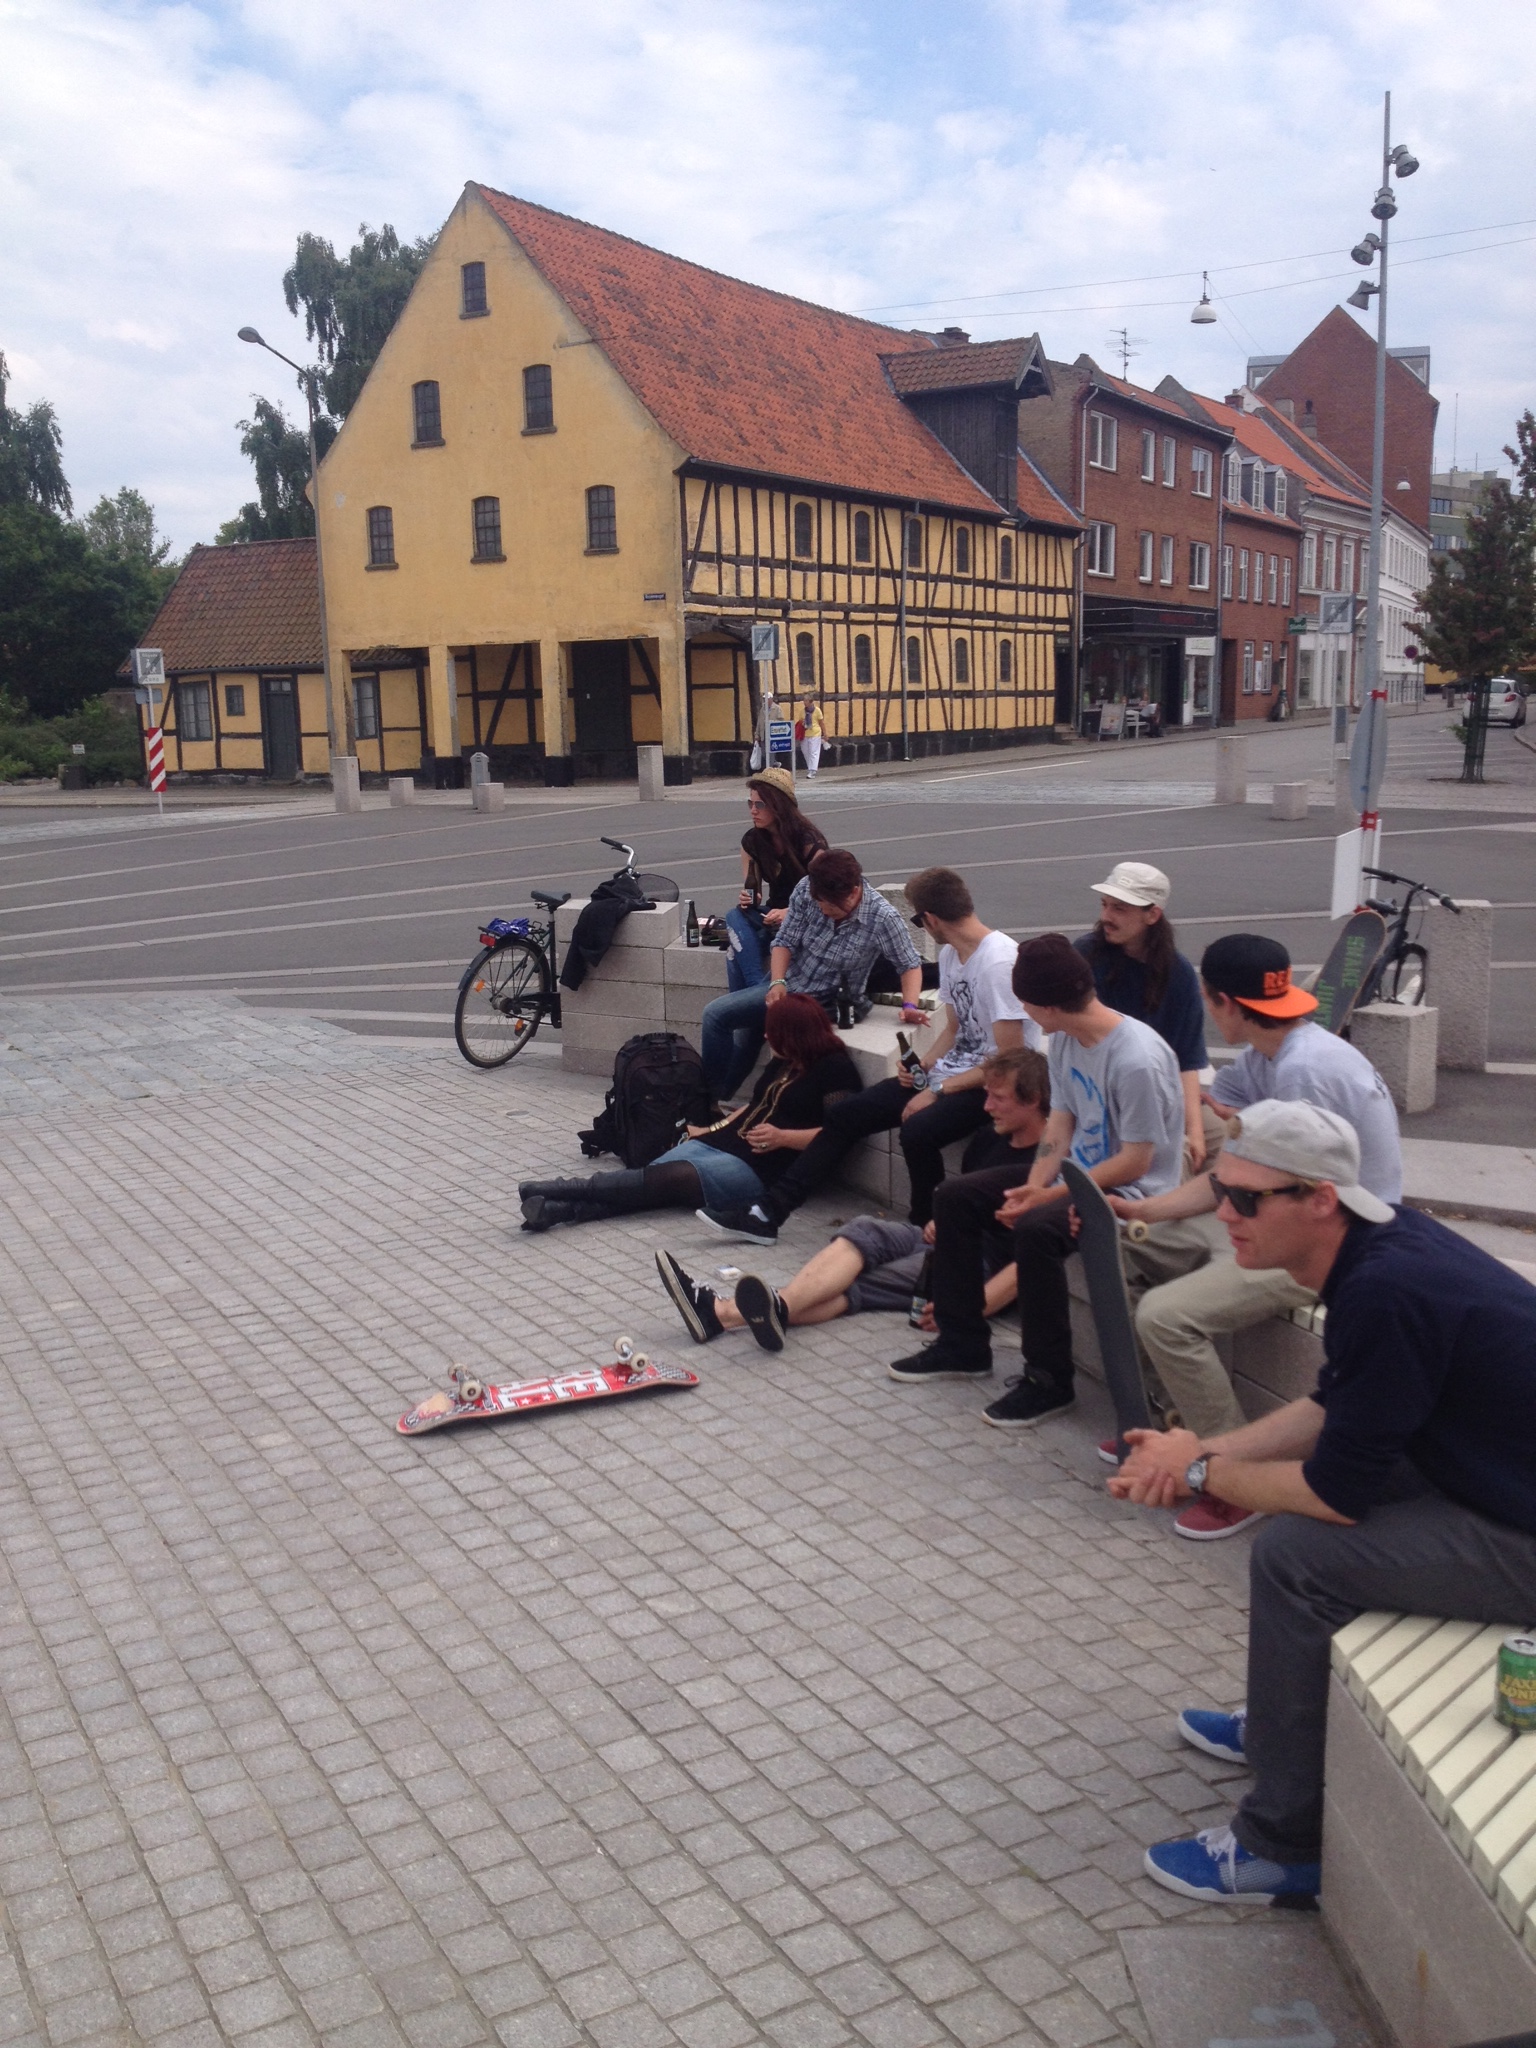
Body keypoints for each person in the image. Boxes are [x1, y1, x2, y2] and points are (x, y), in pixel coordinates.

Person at [1109, 1100, 1536, 1905]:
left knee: (1296, 1557)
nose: (1222, 1212)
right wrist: (1206, 1449)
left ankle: (1282, 1847)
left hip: (1523, 1534)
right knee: (1312, 1531)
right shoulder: (1381, 1252)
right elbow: (1336, 1405)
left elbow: (1332, 1496)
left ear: (1320, 1201)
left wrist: (1199, 1476)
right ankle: (1281, 1728)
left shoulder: (1388, 1288)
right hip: (1498, 1484)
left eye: (1244, 1198)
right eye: (1218, 1189)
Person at [1107, 934, 1403, 1541]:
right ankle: (1175, 1425)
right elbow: (1229, 1123)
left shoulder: (1302, 1071)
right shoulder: (1276, 1052)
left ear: (1222, 1004)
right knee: (1122, 1241)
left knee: (1165, 1315)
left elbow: (1253, 1186)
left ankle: (1234, 1477)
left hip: (1327, 1245)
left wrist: (1158, 1205)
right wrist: (1143, 1213)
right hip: (1273, 1213)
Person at [889, 933, 1184, 1430]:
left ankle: (1049, 1381)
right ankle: (963, 1347)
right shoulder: (1067, 1038)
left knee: (1036, 1230)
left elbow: (1136, 1162)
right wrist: (1036, 1185)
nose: (1021, 1009)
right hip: (1076, 1176)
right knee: (956, 1196)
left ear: (1046, 1004)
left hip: (1128, 1196)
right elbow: (1061, 1123)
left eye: (1024, 1000)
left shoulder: (1136, 1058)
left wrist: (1046, 1197)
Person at [697, 868, 1037, 1245]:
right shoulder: (952, 954)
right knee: (845, 1114)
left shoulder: (999, 963)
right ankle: (769, 1212)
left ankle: (925, 1226)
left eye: (918, 918)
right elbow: (955, 1032)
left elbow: (1011, 1058)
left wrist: (938, 1092)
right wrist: (922, 1067)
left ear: (932, 919)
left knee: (918, 1129)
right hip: (953, 1074)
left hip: (993, 1084)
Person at [655, 1046, 1051, 1349]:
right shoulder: (988, 1139)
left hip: (980, 1263)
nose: (986, 1106)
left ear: (1033, 1100)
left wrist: (971, 1309)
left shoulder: (1049, 1164)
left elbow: (1026, 1262)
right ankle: (755, 1310)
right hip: (945, 1236)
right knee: (864, 1228)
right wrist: (939, 1221)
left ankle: (723, 1313)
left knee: (863, 1285)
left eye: (998, 1098)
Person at [517, 994, 859, 1230]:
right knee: (650, 1182)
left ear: (797, 1034)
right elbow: (751, 1109)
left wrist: (783, 1137)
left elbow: (840, 1133)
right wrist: (710, 1130)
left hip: (764, 1165)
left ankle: (558, 1190)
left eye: (775, 1031)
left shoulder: (834, 1069)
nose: (767, 1035)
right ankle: (556, 1211)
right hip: (728, 1142)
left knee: (662, 1181)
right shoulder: (785, 1060)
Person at [698, 847, 923, 1115]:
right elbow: (784, 941)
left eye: (831, 910)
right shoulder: (807, 889)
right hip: (790, 982)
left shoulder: (882, 917)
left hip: (829, 1000)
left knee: (735, 1023)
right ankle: (711, 1102)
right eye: (820, 906)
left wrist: (910, 1006)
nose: (824, 912)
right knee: (733, 1023)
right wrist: (777, 982)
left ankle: (720, 1103)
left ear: (853, 893)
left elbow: (909, 964)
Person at [1075, 861, 1215, 1172]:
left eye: (1119, 908)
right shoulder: (1085, 956)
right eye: (1104, 905)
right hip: (1098, 1089)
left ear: (1152, 915)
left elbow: (1186, 1062)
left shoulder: (1177, 974)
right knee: (1169, 1159)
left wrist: (1194, 1131)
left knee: (1224, 1143)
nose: (1105, 917)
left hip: (1161, 1092)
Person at [726, 767, 829, 993]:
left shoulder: (808, 841)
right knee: (735, 915)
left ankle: (751, 998)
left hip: (805, 919)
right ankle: (755, 990)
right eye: (750, 804)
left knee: (733, 954)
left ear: (778, 806)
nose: (753, 811)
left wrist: (790, 913)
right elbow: (752, 890)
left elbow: (825, 897)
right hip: (772, 916)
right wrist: (749, 898)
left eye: (760, 805)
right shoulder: (752, 841)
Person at [798, 699, 824, 778]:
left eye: (806, 701)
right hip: (805, 734)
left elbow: (821, 723)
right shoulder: (802, 711)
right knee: (806, 752)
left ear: (811, 702)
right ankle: (810, 768)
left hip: (815, 733)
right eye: (804, 701)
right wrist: (802, 723)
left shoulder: (817, 711)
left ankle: (813, 770)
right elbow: (800, 722)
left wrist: (825, 733)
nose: (805, 703)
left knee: (813, 752)